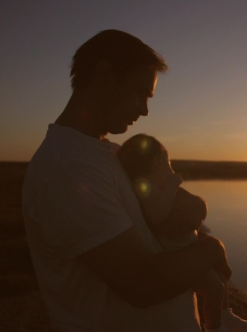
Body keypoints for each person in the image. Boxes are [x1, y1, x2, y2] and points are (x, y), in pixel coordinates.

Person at [22, 29, 230, 331]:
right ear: (104, 76)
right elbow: (142, 284)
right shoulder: (67, 165)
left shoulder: (113, 154)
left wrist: (198, 207)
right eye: (139, 93)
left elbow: (178, 202)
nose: (144, 110)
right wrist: (212, 250)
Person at [117, 134, 247, 332]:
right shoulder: (148, 189)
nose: (171, 169)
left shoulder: (157, 186)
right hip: (179, 254)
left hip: (187, 248)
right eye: (168, 163)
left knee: (218, 284)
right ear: (157, 164)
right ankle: (216, 327)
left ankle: (225, 316)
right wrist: (171, 188)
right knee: (214, 288)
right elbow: (156, 217)